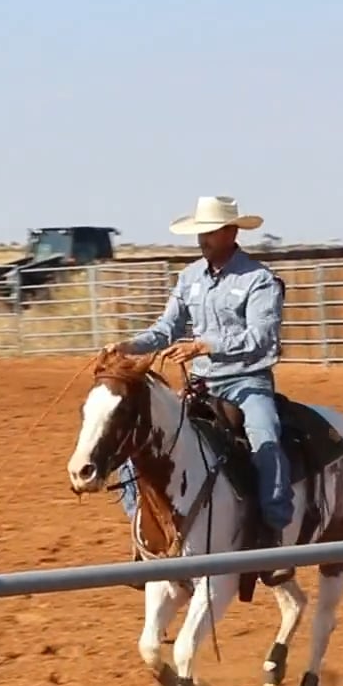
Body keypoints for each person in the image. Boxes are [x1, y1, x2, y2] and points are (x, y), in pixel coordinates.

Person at [101, 195, 292, 552]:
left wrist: (203, 346)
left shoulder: (259, 279)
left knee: (265, 434)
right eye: (200, 232)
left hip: (247, 382)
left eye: (210, 231)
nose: (202, 239)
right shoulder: (189, 277)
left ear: (231, 232)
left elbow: (261, 336)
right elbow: (166, 328)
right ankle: (144, 526)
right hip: (201, 384)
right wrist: (130, 345)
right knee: (137, 439)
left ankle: (274, 529)